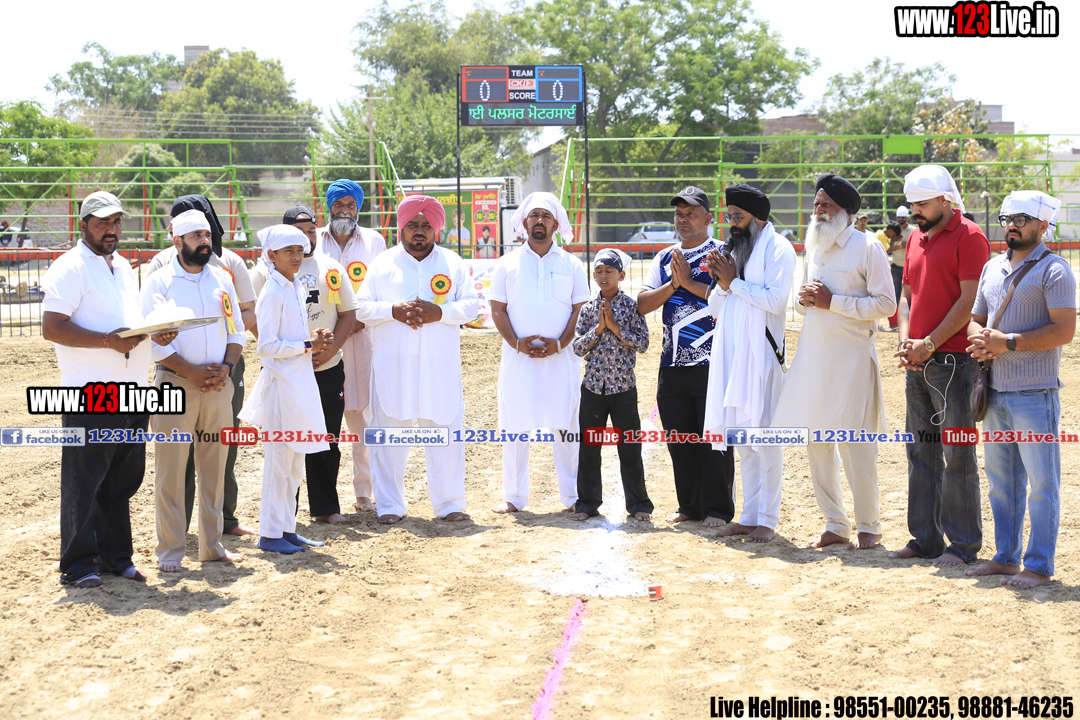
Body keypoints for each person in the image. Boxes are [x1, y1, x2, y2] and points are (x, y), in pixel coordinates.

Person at [41, 191, 172, 587]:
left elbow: (127, 323)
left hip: (132, 389)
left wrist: (154, 332)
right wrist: (106, 341)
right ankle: (78, 565)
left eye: (116, 222)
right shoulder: (69, 267)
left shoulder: (123, 267)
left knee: (121, 480)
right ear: (83, 225)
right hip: (90, 391)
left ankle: (116, 558)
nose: (111, 230)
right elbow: (52, 327)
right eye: (102, 223)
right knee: (84, 481)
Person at [772, 174, 896, 550]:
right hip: (814, 361)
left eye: (826, 204)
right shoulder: (814, 246)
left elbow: (886, 305)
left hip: (852, 364)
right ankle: (835, 524)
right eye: (816, 204)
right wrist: (806, 301)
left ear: (845, 211)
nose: (819, 211)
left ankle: (869, 526)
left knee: (856, 446)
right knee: (816, 443)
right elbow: (801, 306)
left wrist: (833, 302)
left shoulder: (868, 247)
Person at [966, 191, 1075, 588]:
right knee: (1001, 483)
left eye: (1022, 219)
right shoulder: (991, 267)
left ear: (1043, 226)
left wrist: (1007, 342)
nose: (1011, 225)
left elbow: (1064, 331)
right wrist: (980, 339)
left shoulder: (1055, 270)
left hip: (1035, 394)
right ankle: (1006, 558)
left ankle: (1039, 566)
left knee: (1042, 485)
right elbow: (975, 318)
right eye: (1007, 218)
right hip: (994, 390)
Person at [355, 195, 479, 524]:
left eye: (426, 225)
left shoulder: (452, 263)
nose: (419, 231)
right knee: (389, 435)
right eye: (412, 225)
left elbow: (472, 305)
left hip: (439, 367)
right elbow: (361, 307)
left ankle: (449, 504)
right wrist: (392, 311)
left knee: (444, 432)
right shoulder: (383, 264)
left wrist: (441, 312)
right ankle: (390, 506)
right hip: (393, 366)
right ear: (402, 228)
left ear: (436, 228)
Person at [890, 165, 990, 567]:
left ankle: (962, 545)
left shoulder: (971, 236)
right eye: (912, 203)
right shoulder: (916, 237)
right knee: (920, 452)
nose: (915, 210)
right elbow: (905, 296)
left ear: (946, 199)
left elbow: (970, 302)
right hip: (918, 361)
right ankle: (925, 539)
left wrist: (928, 344)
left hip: (954, 362)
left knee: (958, 454)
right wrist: (905, 342)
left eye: (923, 203)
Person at [144, 194, 259, 537]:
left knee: (215, 469)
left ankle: (214, 543)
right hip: (175, 384)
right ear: (177, 240)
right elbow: (154, 339)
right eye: (197, 235)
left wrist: (227, 367)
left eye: (207, 234)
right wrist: (191, 372)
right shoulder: (159, 278)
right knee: (172, 470)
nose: (205, 241)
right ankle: (172, 546)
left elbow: (236, 328)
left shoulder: (222, 277)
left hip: (219, 384)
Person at [251, 206, 358, 525]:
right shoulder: (267, 276)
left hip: (326, 367)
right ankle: (286, 516)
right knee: (287, 444)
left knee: (326, 437)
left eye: (311, 232)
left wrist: (326, 351)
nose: (304, 241)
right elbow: (260, 324)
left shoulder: (330, 268)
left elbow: (348, 314)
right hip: (286, 371)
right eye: (296, 236)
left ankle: (325, 507)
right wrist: (302, 351)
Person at [636, 186, 735, 527]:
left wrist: (689, 282)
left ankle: (718, 509)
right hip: (672, 362)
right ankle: (689, 506)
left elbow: (729, 296)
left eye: (691, 213)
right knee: (679, 439)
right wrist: (674, 285)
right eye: (679, 214)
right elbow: (642, 304)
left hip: (713, 361)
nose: (683, 219)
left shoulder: (722, 253)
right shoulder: (665, 258)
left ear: (708, 219)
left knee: (714, 439)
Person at [704, 184, 796, 543]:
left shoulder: (779, 248)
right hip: (732, 355)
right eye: (729, 216)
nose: (732, 223)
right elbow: (715, 307)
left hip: (762, 357)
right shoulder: (737, 250)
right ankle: (749, 515)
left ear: (757, 218)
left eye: (738, 216)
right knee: (743, 439)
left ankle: (767, 520)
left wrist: (734, 281)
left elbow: (775, 301)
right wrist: (724, 284)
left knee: (767, 440)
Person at [489, 191, 590, 514]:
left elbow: (580, 309)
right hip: (518, 360)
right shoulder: (506, 264)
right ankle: (514, 497)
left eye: (546, 216)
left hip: (562, 360)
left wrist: (560, 343)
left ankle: (572, 496)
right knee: (514, 426)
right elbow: (497, 309)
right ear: (524, 222)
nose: (539, 221)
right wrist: (516, 343)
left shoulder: (572, 264)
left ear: (556, 224)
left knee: (566, 427)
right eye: (534, 215)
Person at [240, 225, 334, 554]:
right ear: (271, 255)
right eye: (288, 251)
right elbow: (266, 347)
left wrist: (312, 340)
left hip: (299, 383)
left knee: (294, 464)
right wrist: (309, 344)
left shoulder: (293, 285)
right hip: (281, 386)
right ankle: (269, 533)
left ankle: (287, 529)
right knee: (278, 464)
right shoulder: (272, 292)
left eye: (299, 250)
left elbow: (290, 338)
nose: (296, 256)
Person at [315, 179, 386, 513]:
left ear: (359, 208)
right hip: (323, 345)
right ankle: (323, 499)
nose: (345, 210)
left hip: (364, 341)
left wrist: (358, 320)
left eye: (351, 205)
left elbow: (381, 290)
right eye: (339, 204)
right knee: (323, 422)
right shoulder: (313, 240)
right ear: (328, 207)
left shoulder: (374, 241)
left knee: (363, 422)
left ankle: (363, 494)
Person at [571, 248, 652, 521]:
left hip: (623, 388)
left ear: (622, 275)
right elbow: (577, 348)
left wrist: (616, 328)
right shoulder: (587, 309)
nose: (604, 276)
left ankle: (639, 505)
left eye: (609, 271)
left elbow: (643, 343)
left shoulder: (631, 307)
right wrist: (597, 330)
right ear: (593, 275)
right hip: (593, 388)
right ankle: (587, 504)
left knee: (630, 448)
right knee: (589, 449)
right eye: (599, 271)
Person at [882, 222, 905, 330]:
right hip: (882, 269)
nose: (893, 237)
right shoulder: (881, 236)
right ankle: (894, 322)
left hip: (885, 269)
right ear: (890, 231)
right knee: (890, 295)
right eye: (893, 235)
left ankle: (894, 322)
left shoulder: (882, 236)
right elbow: (887, 251)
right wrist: (893, 242)